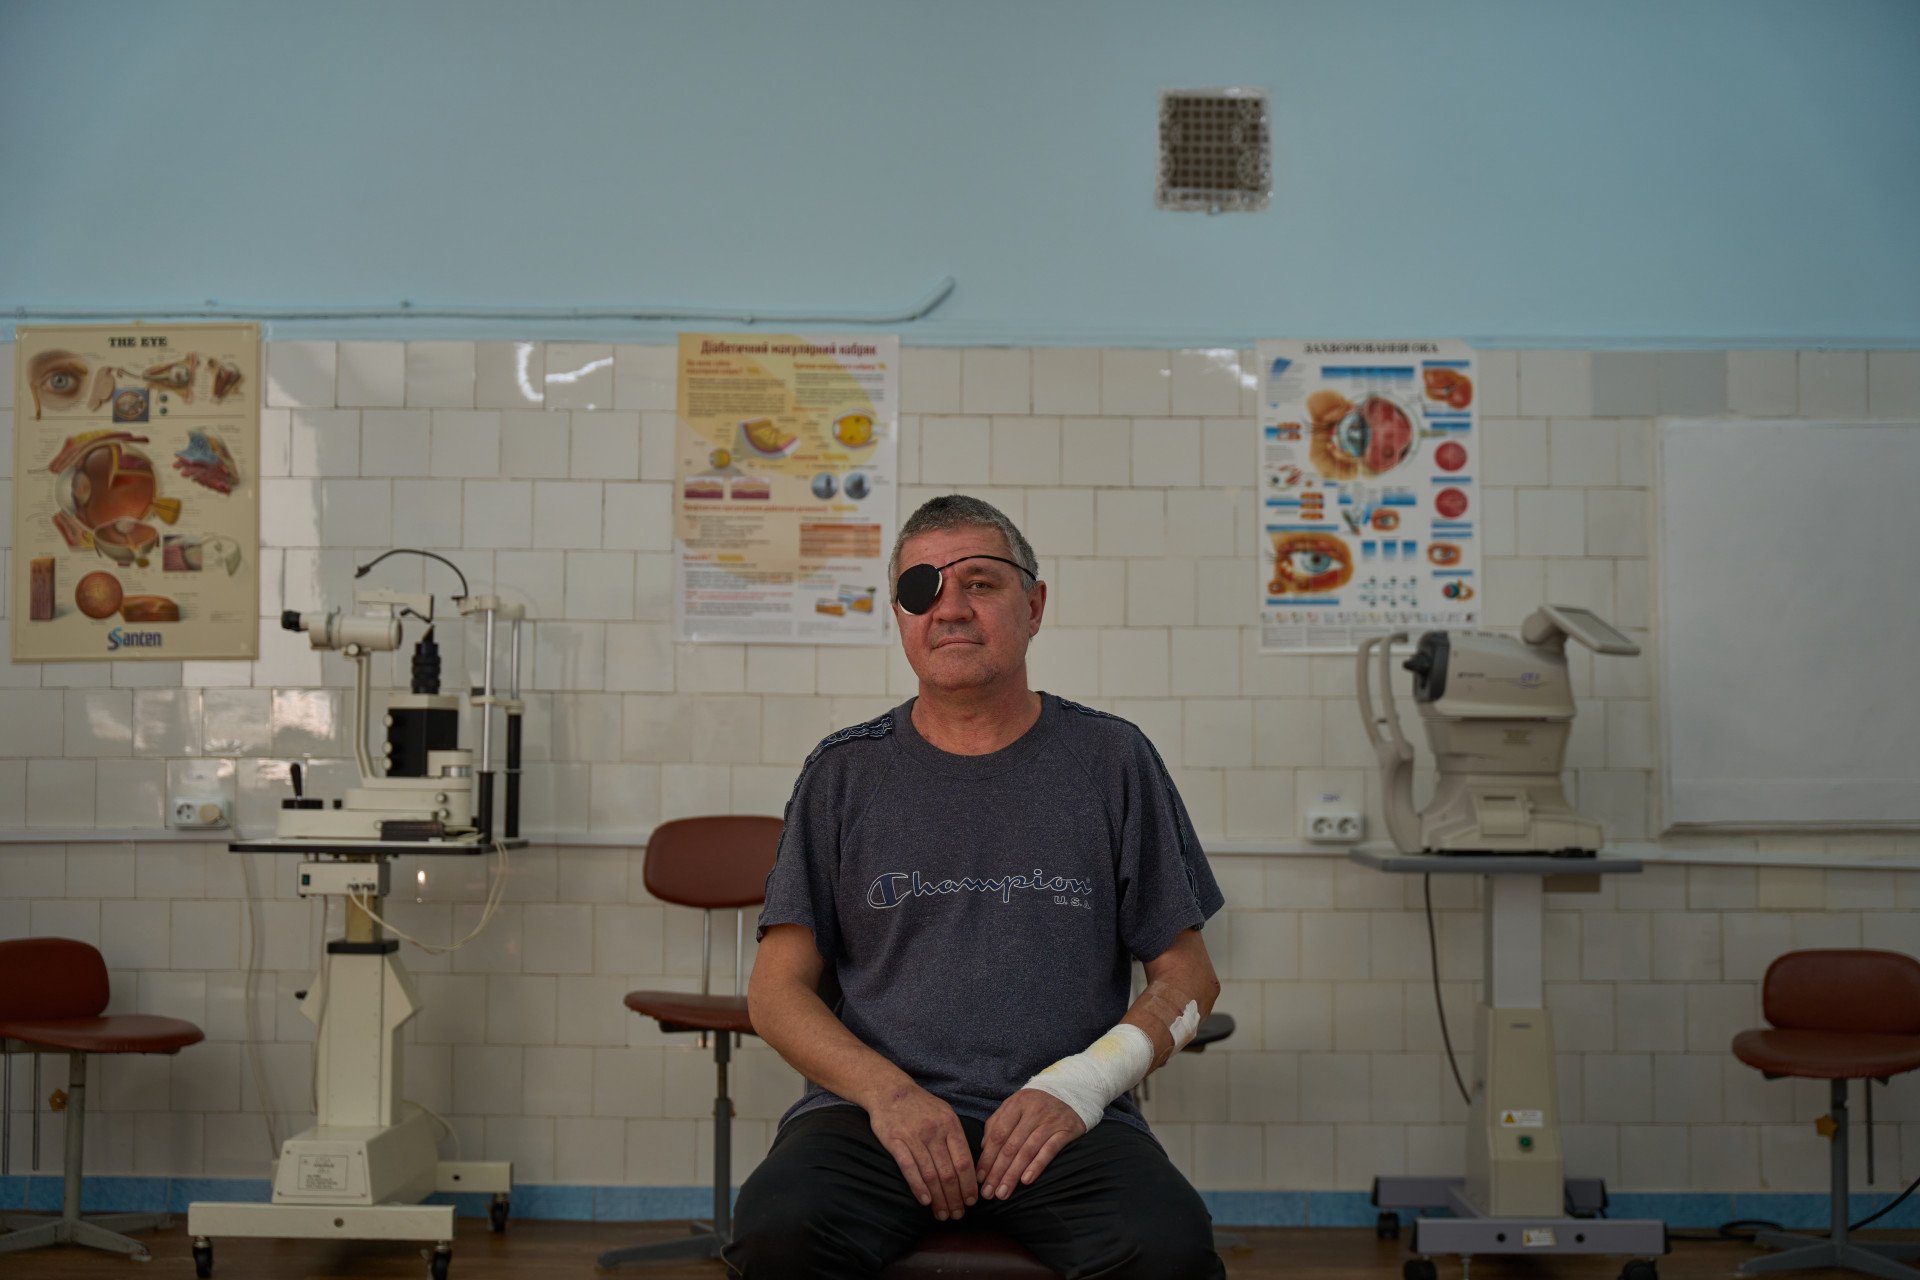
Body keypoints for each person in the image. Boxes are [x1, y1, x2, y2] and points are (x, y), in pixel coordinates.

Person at [725, 494, 1228, 1279]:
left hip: (1064, 1121)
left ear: (1034, 605)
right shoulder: (843, 774)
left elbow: (1187, 977)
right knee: (778, 1232)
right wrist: (888, 1096)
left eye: (981, 584)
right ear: (900, 617)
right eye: (922, 589)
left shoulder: (1112, 761)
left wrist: (1082, 1088)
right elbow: (777, 991)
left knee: (1166, 1249)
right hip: (871, 1117)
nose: (950, 609)